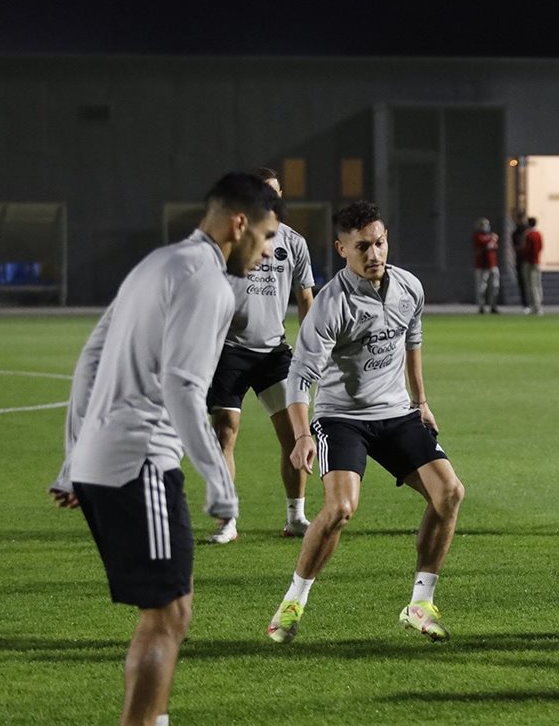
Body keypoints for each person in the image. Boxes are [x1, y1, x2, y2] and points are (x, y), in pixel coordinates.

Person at [49, 171, 280, 726]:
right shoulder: (207, 281)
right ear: (238, 224)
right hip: (140, 462)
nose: (266, 254)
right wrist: (219, 480)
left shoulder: (157, 264)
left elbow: (90, 358)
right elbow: (183, 385)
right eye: (264, 238)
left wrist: (73, 459)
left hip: (103, 460)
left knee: (170, 608)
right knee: (167, 615)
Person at [267, 200, 466, 645]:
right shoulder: (330, 304)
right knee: (341, 508)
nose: (374, 254)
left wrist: (421, 401)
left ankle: (420, 604)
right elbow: (299, 376)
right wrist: (301, 435)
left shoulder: (409, 287)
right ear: (342, 249)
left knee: (450, 493)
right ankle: (293, 602)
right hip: (341, 417)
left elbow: (412, 341)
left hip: (396, 413)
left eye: (379, 243)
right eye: (362, 247)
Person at [204, 166, 315, 544]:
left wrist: (310, 350)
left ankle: (296, 517)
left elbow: (305, 298)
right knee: (224, 434)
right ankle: (227, 521)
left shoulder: (294, 242)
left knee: (296, 436)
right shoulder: (233, 237)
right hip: (231, 350)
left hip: (274, 353)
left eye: (276, 193)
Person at [473, 217, 500, 314]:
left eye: (486, 224)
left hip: (492, 265)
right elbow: (485, 244)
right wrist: (492, 239)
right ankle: (481, 307)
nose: (485, 226)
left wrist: (492, 239)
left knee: (494, 286)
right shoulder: (477, 236)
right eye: (483, 224)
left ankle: (493, 306)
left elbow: (494, 245)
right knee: (481, 288)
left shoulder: (491, 236)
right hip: (481, 266)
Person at [519, 216, 544, 315]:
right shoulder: (539, 234)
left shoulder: (528, 234)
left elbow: (526, 249)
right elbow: (540, 247)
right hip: (537, 262)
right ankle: (539, 304)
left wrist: (522, 253)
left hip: (530, 262)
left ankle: (535, 306)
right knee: (538, 284)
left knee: (531, 285)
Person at [510, 211, 530, 311]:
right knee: (522, 282)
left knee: (530, 282)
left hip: (528, 260)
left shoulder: (528, 232)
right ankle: (525, 303)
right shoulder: (515, 233)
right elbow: (515, 246)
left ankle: (531, 303)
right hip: (520, 260)